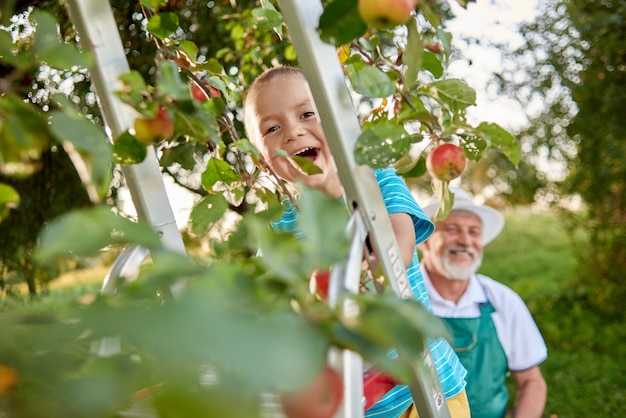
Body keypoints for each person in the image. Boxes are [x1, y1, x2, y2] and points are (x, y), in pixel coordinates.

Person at [243, 65, 470, 418]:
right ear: (262, 160)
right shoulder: (278, 225)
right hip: (355, 404)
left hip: (426, 389)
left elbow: (399, 242)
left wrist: (352, 270)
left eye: (307, 113)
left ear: (341, 124)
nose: (293, 132)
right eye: (272, 128)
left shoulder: (375, 180)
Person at [419, 187, 548, 418]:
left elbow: (531, 381)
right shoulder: (402, 300)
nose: (465, 241)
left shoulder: (503, 301)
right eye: (451, 229)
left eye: (474, 232)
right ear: (425, 240)